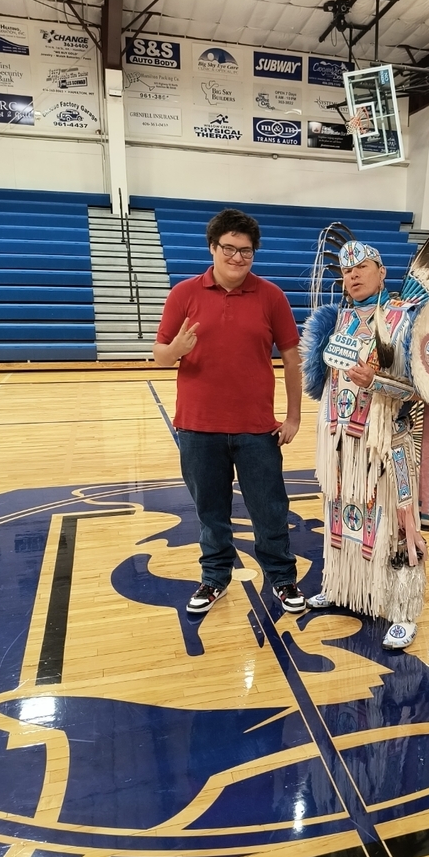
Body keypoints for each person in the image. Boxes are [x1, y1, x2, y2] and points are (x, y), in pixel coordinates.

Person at [153, 207, 306, 616]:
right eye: (229, 249)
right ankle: (214, 577)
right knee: (211, 512)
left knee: (270, 509)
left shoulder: (271, 296)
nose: (237, 258)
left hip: (257, 430)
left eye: (246, 251)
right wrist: (177, 351)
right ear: (213, 248)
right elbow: (159, 357)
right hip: (197, 428)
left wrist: (293, 417)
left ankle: (282, 577)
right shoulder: (183, 294)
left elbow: (293, 359)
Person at [299, 240, 428, 650]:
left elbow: (420, 391)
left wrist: (376, 383)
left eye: (362, 267)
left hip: (388, 444)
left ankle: (404, 610)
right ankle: (344, 588)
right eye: (345, 270)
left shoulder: (404, 320)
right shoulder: (337, 320)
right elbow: (327, 384)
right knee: (342, 513)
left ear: (382, 271)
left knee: (400, 525)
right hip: (343, 442)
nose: (352, 275)